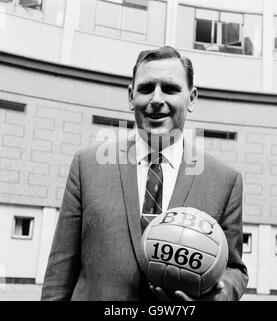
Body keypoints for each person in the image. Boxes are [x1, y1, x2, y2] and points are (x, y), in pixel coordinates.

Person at [41, 46, 248, 301]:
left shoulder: (225, 180)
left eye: (170, 89)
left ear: (192, 98)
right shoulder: (87, 166)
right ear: (131, 96)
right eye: (147, 88)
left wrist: (219, 294)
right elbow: (60, 272)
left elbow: (235, 268)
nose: (157, 99)